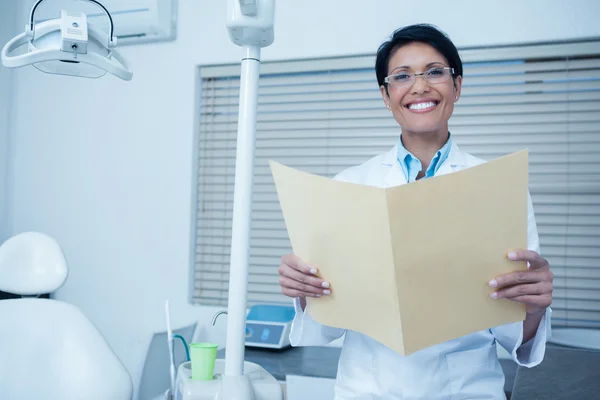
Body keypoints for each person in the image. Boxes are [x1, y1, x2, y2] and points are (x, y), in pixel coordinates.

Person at [277, 24, 553, 400]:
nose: (420, 87)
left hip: (466, 391)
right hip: (367, 390)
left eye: (435, 72)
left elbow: (515, 336)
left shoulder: (499, 186)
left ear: (457, 85)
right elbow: (324, 329)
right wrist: (305, 289)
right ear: (386, 95)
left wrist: (534, 306)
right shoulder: (348, 187)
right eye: (403, 76)